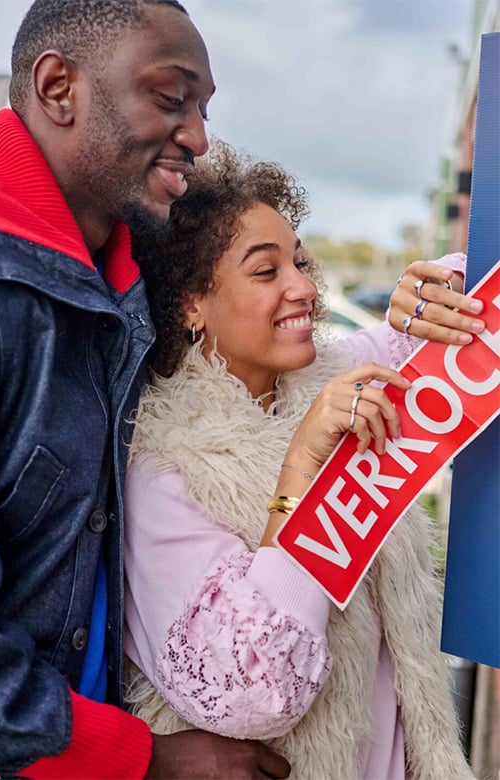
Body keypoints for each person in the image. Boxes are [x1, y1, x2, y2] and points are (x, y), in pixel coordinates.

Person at [0, 3, 291, 779]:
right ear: (57, 88)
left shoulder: (131, 274)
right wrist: (145, 762)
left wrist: (417, 313)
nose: (198, 136)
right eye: (171, 97)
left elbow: (264, 331)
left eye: (204, 109)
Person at [123, 141, 485, 779]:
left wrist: (431, 285)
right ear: (190, 304)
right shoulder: (170, 467)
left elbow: (483, 300)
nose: (303, 287)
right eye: (266, 272)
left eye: (300, 261)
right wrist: (301, 474)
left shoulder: (335, 377)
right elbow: (252, 695)